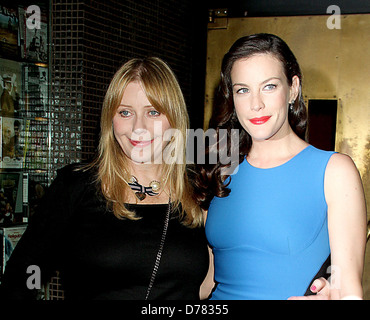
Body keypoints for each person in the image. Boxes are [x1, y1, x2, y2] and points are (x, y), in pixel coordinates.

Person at [0, 57, 212, 300]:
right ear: (110, 119)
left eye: (153, 112)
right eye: (125, 112)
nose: (137, 127)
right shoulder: (77, 185)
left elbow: (205, 287)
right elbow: (25, 272)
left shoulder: (200, 189)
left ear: (174, 119)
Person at [196, 33, 367, 300]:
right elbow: (206, 280)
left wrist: (331, 293)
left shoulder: (334, 171)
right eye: (243, 90)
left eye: (269, 86)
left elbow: (347, 290)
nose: (256, 104)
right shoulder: (219, 170)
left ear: (293, 88)